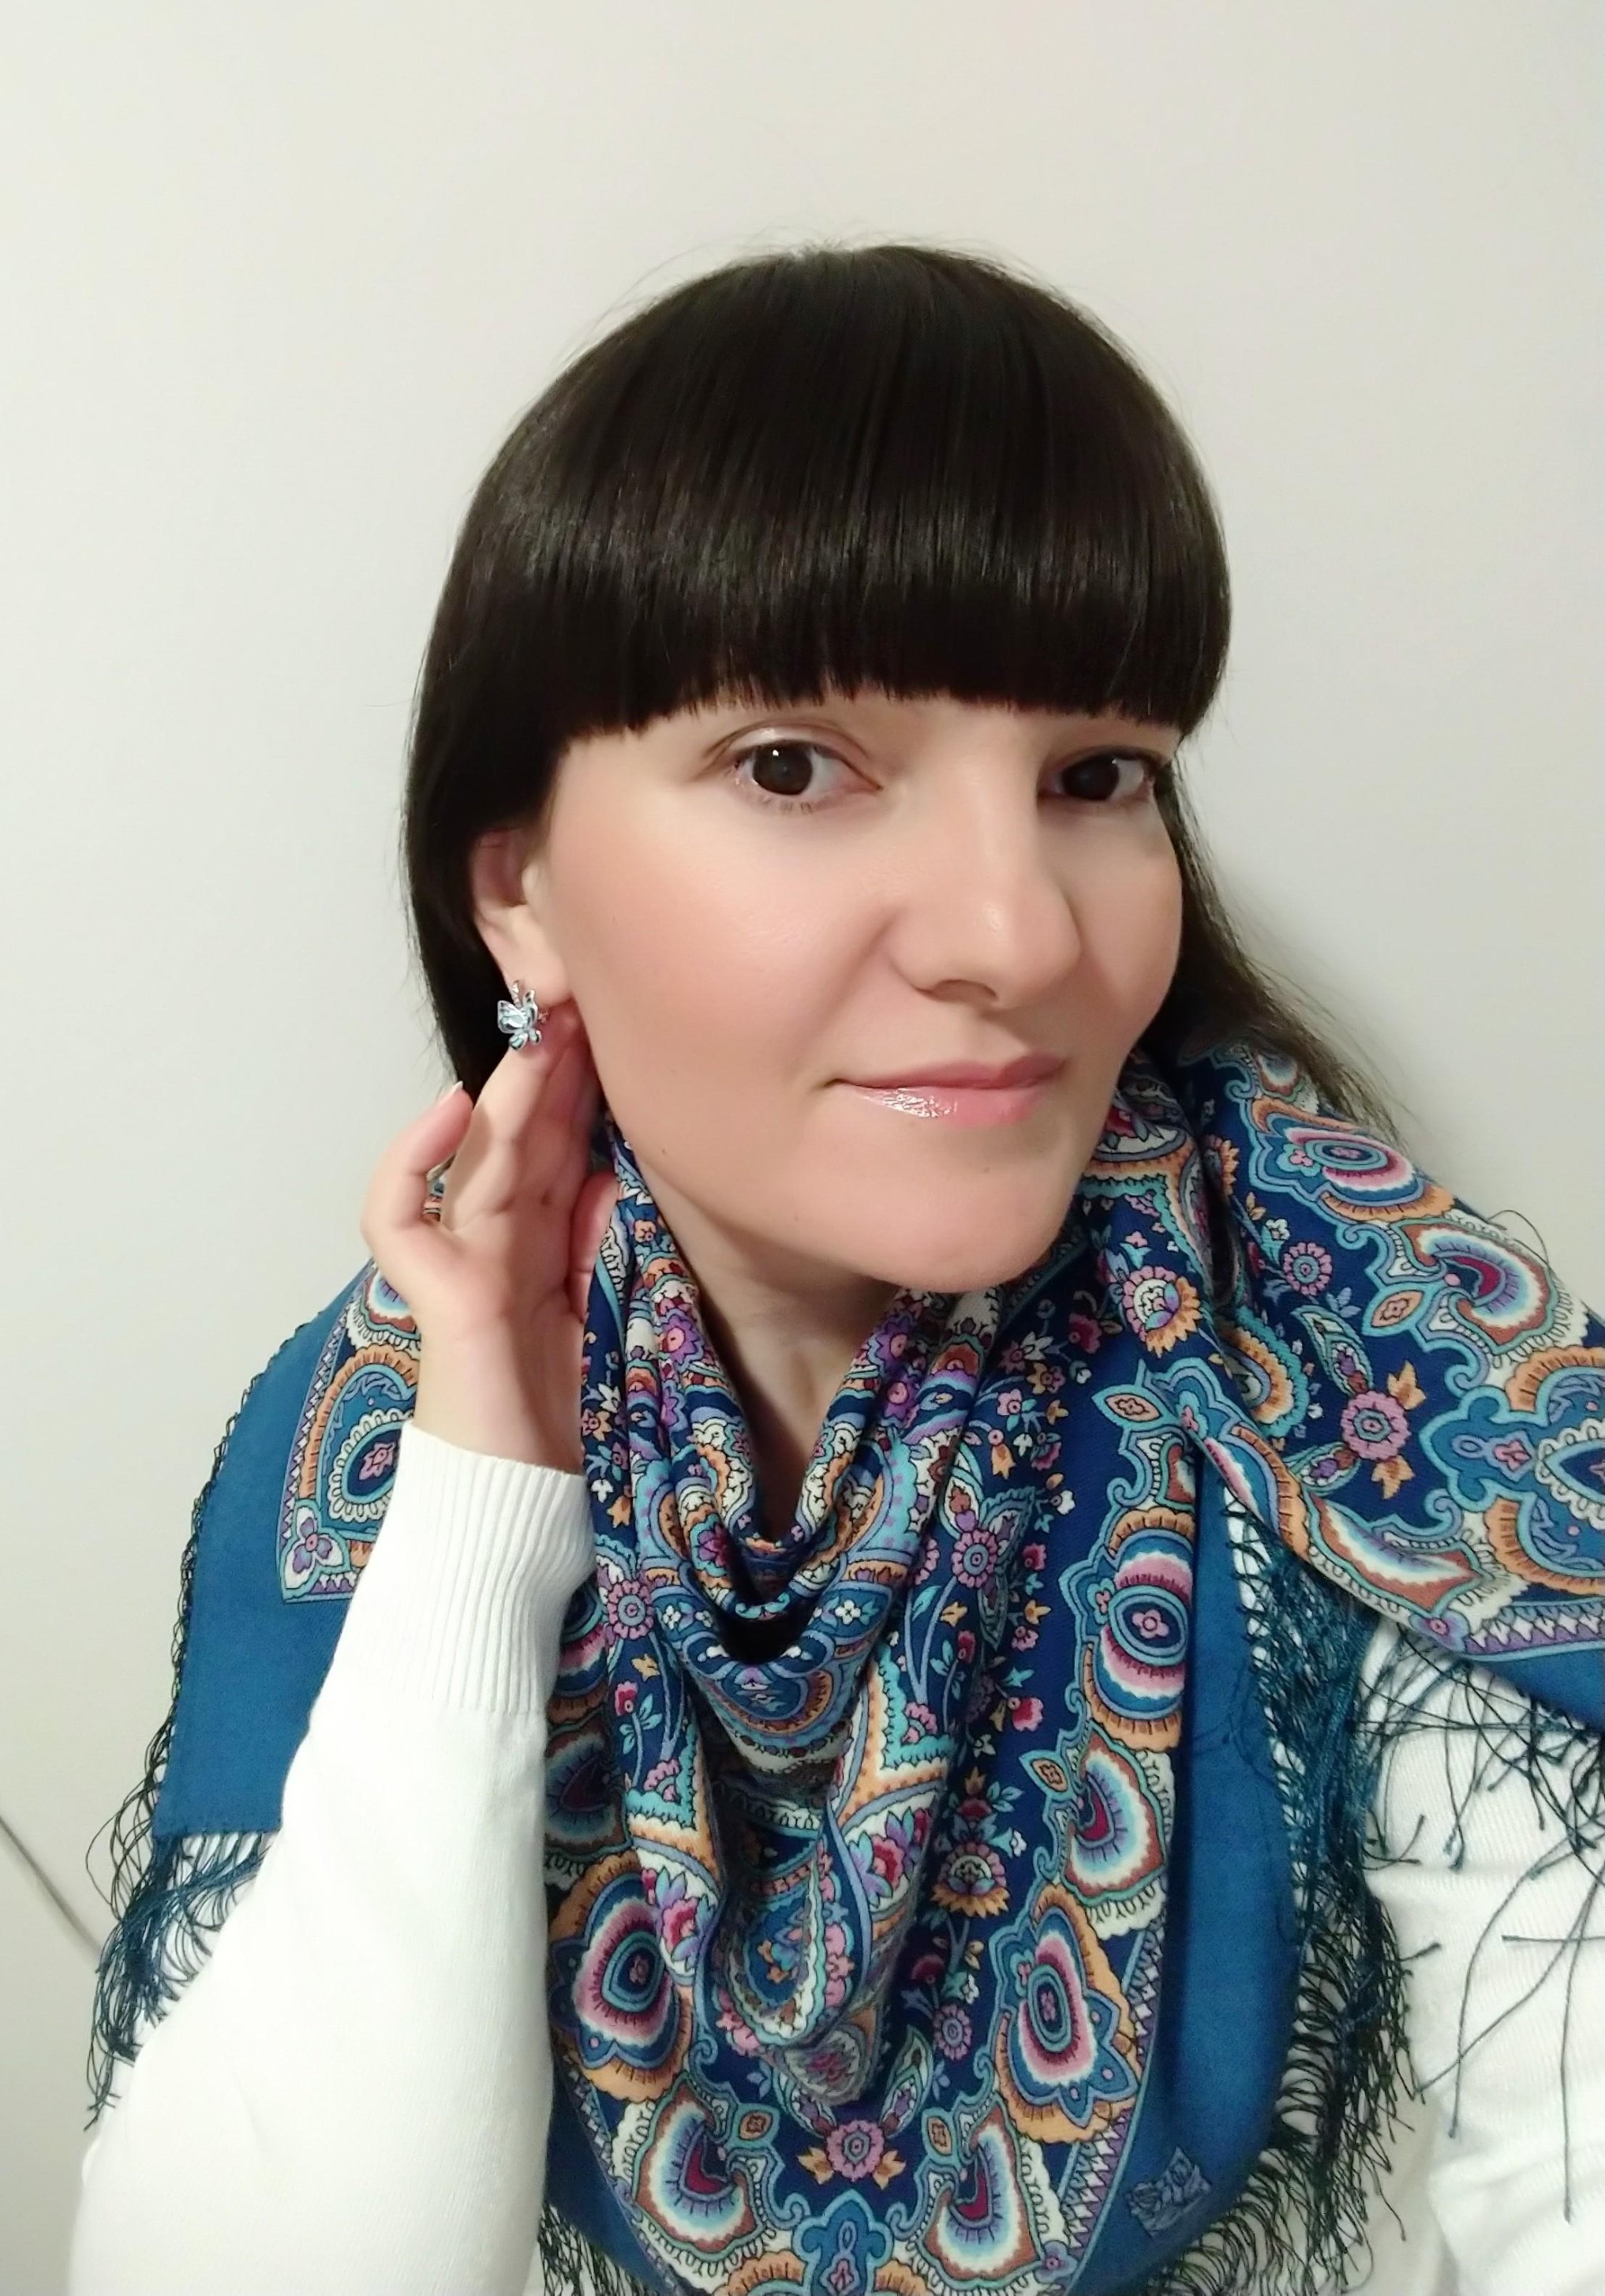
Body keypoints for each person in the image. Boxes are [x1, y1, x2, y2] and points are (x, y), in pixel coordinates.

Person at [68, 242, 1603, 2296]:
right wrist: (481, 1499)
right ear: (520, 890)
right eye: (794, 765)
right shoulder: (369, 1442)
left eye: (1096, 776)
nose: (1018, 934)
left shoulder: (1361, 1356)